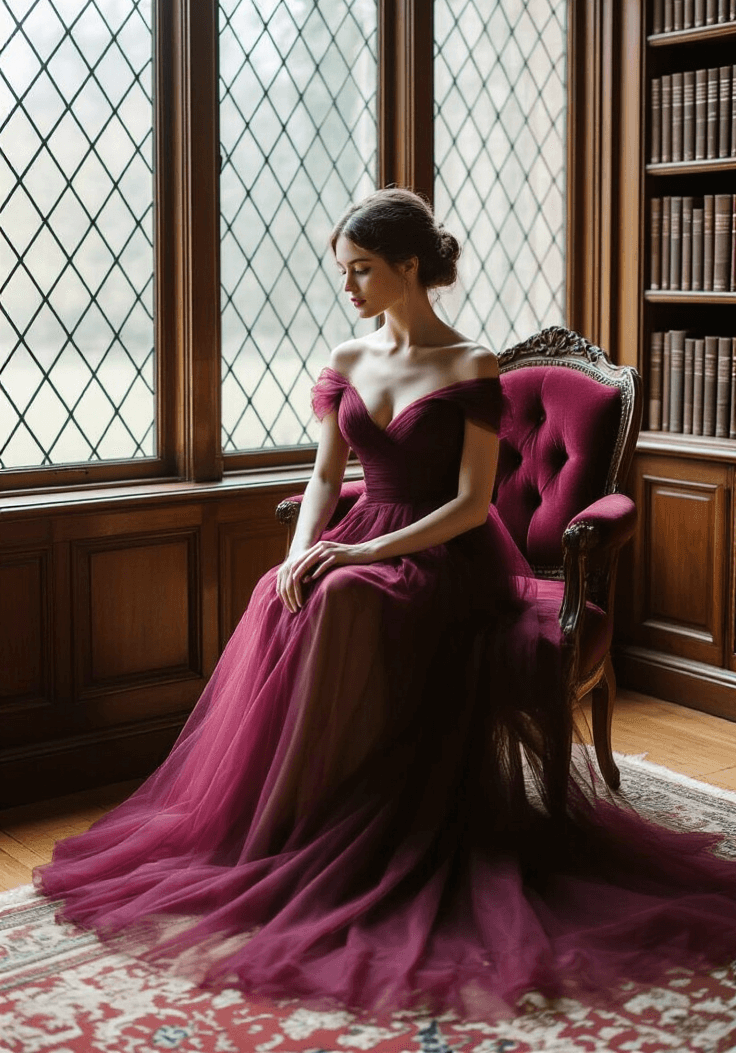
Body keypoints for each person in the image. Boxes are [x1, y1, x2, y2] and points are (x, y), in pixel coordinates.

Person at [36, 188, 736, 1018]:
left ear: (409, 266)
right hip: (359, 531)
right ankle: (298, 822)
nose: (349, 286)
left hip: (447, 553)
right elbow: (328, 477)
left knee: (349, 597)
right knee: (287, 592)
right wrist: (301, 557)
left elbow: (475, 503)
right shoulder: (349, 356)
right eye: (344, 271)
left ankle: (364, 823)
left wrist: (359, 550)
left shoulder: (472, 364)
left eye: (362, 269)